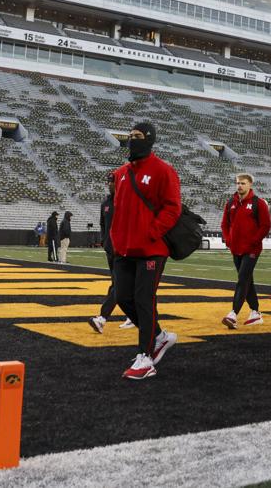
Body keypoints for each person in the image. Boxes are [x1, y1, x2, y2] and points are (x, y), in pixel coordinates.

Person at [110, 122, 181, 380]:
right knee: (122, 297)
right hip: (125, 248)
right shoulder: (120, 173)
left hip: (151, 249)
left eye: (137, 136)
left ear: (149, 139)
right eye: (130, 136)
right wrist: (116, 238)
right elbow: (118, 209)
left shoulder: (164, 170)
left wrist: (151, 232)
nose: (132, 139)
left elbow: (173, 208)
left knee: (144, 300)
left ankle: (146, 357)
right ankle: (160, 337)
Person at [221, 173, 271, 329]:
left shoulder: (259, 203)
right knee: (248, 280)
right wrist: (228, 240)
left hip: (252, 249)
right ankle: (255, 312)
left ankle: (233, 314)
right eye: (237, 183)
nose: (239, 186)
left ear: (250, 184)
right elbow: (224, 224)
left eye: (242, 183)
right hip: (235, 249)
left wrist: (253, 241)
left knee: (242, 279)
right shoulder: (230, 202)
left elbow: (265, 226)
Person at [89, 174, 120, 333]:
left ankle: (102, 318)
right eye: (108, 182)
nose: (109, 184)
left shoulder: (125, 201)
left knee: (119, 285)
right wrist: (104, 241)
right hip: (111, 250)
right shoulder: (105, 203)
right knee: (119, 285)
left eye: (112, 182)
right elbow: (102, 224)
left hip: (124, 250)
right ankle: (132, 316)